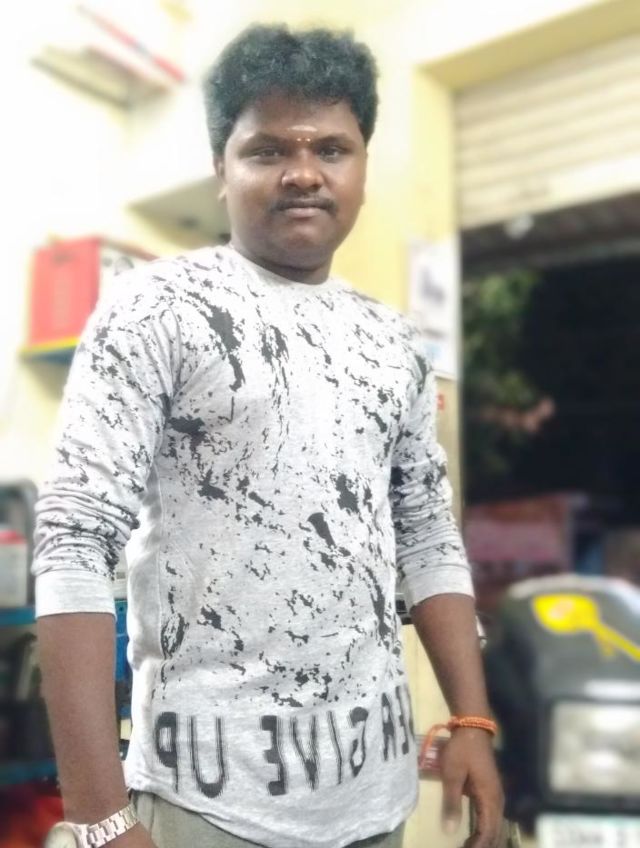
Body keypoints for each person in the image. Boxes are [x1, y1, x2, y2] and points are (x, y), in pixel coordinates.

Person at [34, 23, 503, 848]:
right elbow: (73, 540)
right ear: (222, 168)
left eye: (332, 148)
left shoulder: (393, 343)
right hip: (207, 807)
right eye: (267, 150)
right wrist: (99, 815)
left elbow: (428, 535)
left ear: (362, 166)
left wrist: (471, 718)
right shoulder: (157, 309)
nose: (303, 173)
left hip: (376, 798)